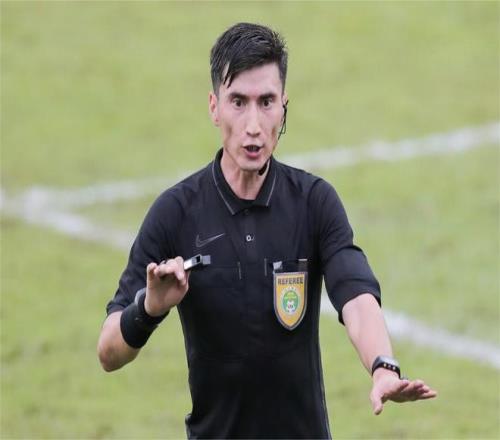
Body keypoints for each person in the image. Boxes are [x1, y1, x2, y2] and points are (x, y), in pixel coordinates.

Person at [97, 22, 437, 438]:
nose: (254, 125)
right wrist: (148, 309)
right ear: (214, 107)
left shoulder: (314, 202)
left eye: (267, 102)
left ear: (284, 106)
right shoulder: (176, 213)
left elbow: (356, 296)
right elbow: (109, 351)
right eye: (238, 102)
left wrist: (383, 366)